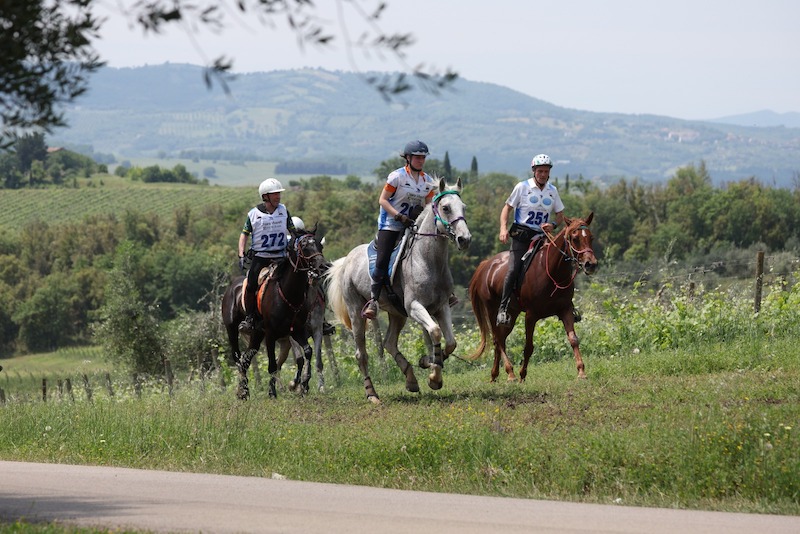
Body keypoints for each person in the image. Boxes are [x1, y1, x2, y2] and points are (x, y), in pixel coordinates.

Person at [361, 140, 437, 319]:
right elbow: (383, 200)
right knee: (382, 259)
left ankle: (444, 292)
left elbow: (429, 207)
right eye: (417, 157)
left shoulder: (427, 181)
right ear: (408, 158)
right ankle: (373, 300)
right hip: (391, 225)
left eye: (423, 157)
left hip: (413, 226)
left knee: (432, 253)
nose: (421, 160)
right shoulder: (396, 177)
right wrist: (398, 216)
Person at [496, 153, 565, 326]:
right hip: (522, 236)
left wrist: (553, 225)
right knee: (512, 269)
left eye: (546, 171)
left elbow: (560, 215)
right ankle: (503, 309)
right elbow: (507, 208)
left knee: (562, 262)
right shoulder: (522, 187)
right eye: (540, 171)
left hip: (543, 237)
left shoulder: (553, 190)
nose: (543, 174)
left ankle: (566, 302)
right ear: (534, 171)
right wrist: (503, 228)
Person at [238, 178, 297, 334]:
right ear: (265, 196)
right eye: (274, 194)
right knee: (251, 284)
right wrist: (241, 255)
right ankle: (250, 318)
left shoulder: (284, 210)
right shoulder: (253, 214)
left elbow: (293, 231)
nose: (278, 196)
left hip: (281, 255)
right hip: (261, 256)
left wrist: (295, 244)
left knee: (300, 277)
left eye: (278, 193)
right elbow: (244, 235)